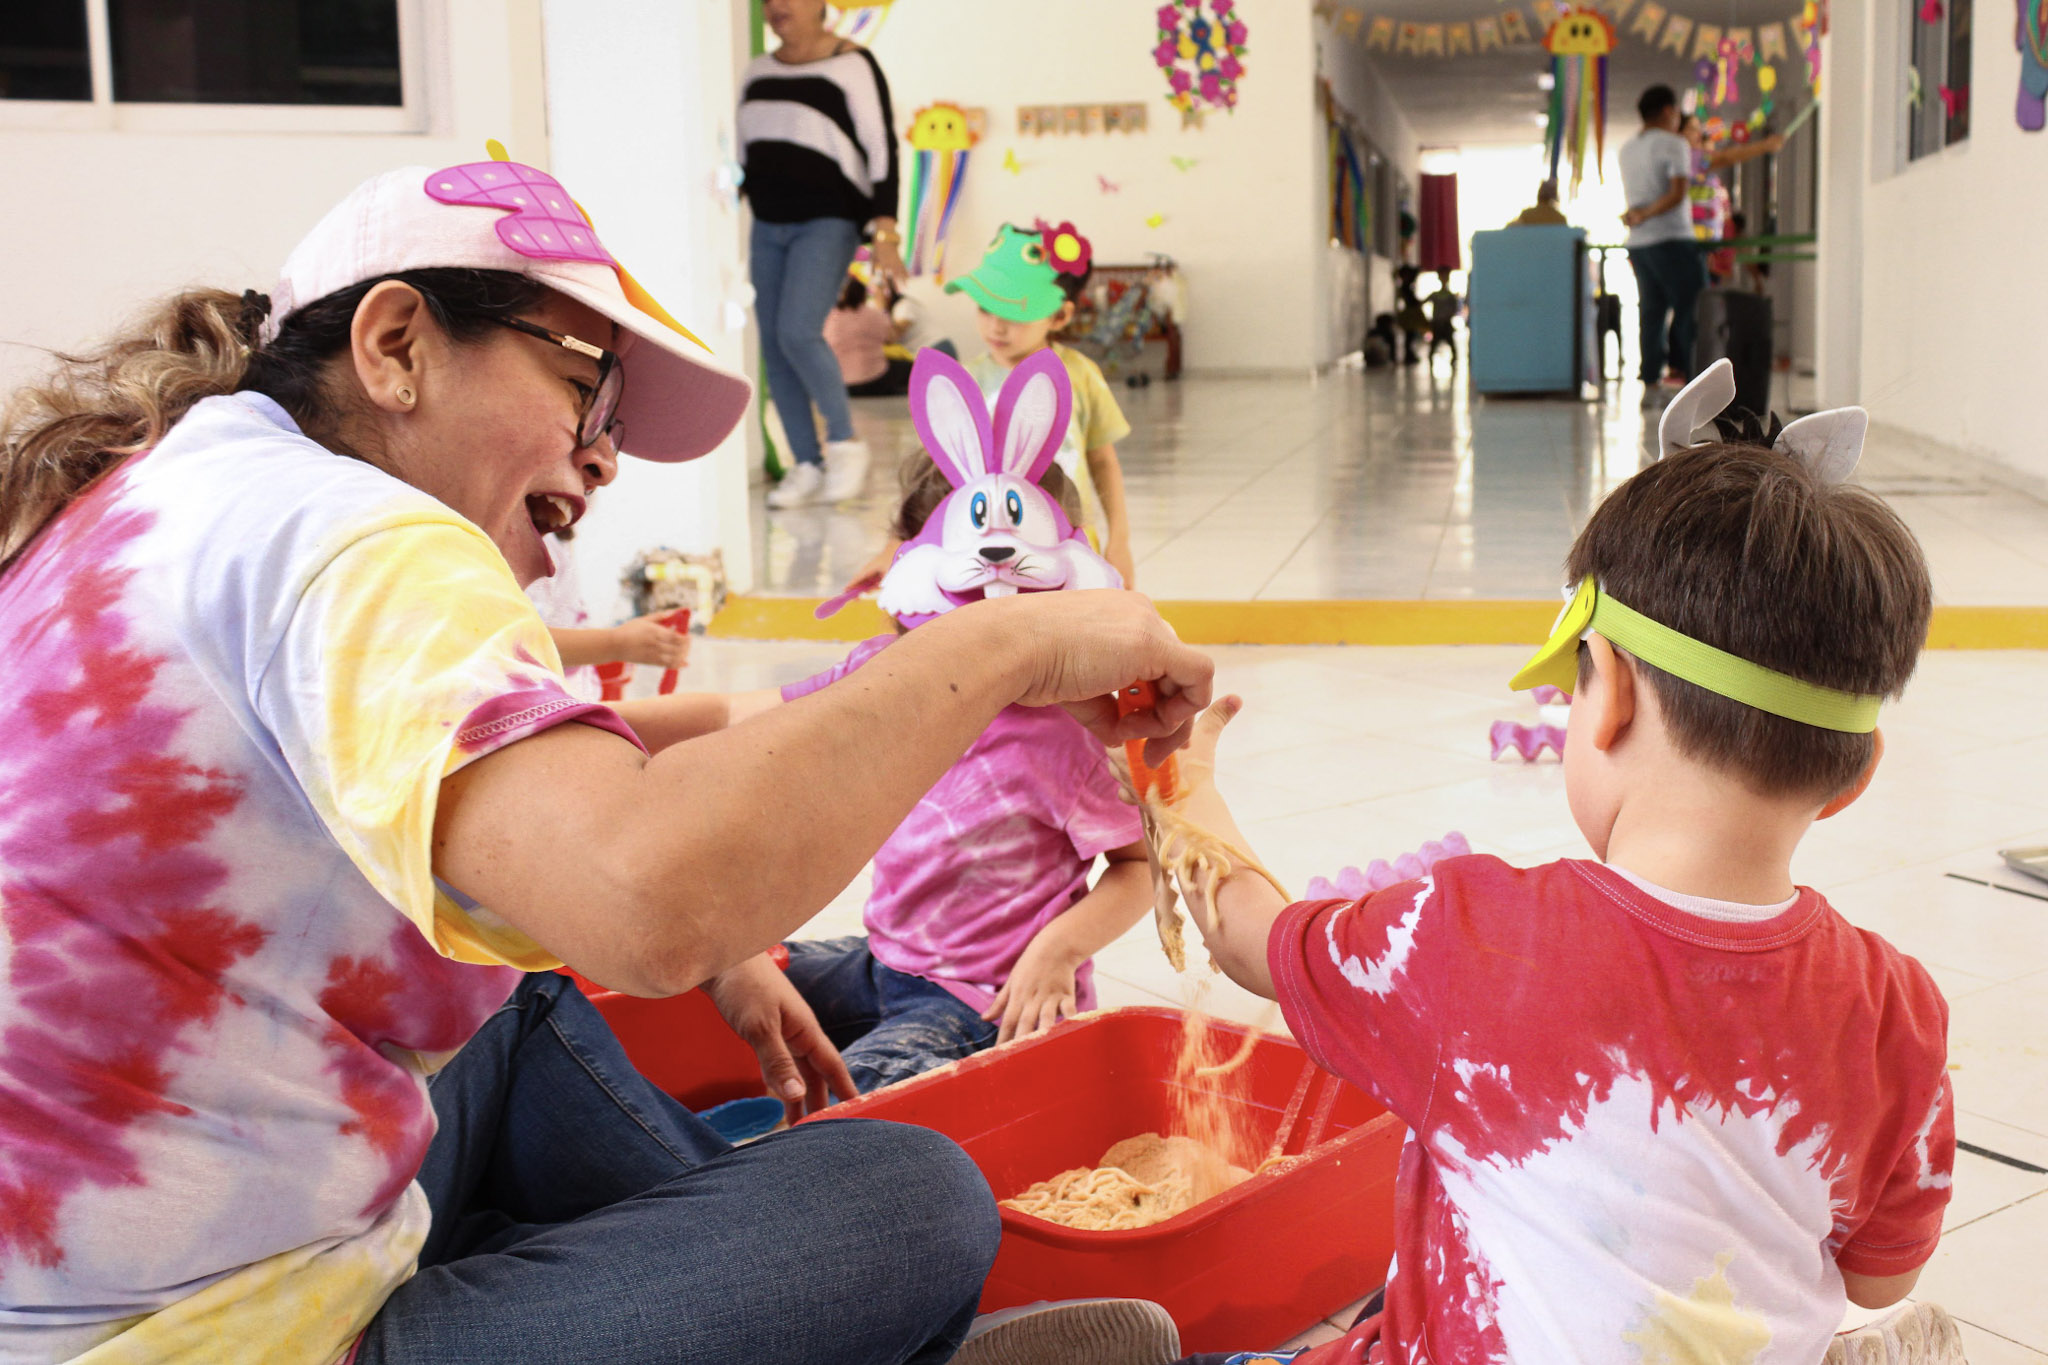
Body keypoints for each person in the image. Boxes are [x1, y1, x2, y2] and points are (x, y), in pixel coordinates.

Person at [0, 154, 1213, 1364]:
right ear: (396, 346)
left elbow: (575, 800)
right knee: (909, 1202)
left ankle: (769, 1299)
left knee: (524, 1000)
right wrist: (1008, 640)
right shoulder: (358, 541)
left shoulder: (173, 491)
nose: (603, 460)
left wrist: (741, 943)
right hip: (207, 1335)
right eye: (587, 391)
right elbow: (648, 898)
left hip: (124, 1264)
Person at [1154, 426, 1955, 1363]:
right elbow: (1879, 1278)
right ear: (1852, 776)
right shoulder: (1900, 1010)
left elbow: (1250, 939)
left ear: (1607, 692)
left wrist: (1180, 782)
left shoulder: (1472, 940)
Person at [714, 457, 1151, 1092]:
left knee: (841, 1110)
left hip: (985, 1000)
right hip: (888, 960)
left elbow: (1138, 869)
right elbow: (743, 723)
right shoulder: (890, 684)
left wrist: (1057, 953)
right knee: (698, 989)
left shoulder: (1070, 733)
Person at [741, 0, 904, 508]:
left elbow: (882, 146)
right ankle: (806, 464)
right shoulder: (756, 72)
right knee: (772, 344)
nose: (777, 7)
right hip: (767, 223)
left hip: (829, 220)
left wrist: (885, 228)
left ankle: (845, 441)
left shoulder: (852, 64)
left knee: (797, 330)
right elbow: (748, 152)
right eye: (768, 0)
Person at [526, 524, 692, 701]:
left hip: (570, 700)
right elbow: (519, 641)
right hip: (544, 706)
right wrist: (617, 643)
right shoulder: (532, 547)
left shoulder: (557, 542)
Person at [1619, 85, 1707, 400]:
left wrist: (1638, 216)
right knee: (1690, 308)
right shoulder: (1673, 144)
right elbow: (1676, 194)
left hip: (1640, 245)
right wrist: (1644, 213)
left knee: (1652, 311)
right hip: (1672, 238)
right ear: (1669, 111)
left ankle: (1651, 378)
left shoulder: (1626, 149)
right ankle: (1689, 374)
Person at [1679, 115, 1785, 287]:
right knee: (1699, 301)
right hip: (1694, 245)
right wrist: (1764, 146)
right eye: (1692, 128)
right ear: (1678, 133)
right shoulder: (1690, 157)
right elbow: (1725, 158)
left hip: (1700, 245)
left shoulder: (1685, 160)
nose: (1698, 132)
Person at [827, 273, 914, 398]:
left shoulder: (830, 317)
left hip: (843, 383)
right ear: (864, 296)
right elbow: (892, 338)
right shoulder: (875, 314)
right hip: (875, 378)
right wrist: (882, 307)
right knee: (910, 368)